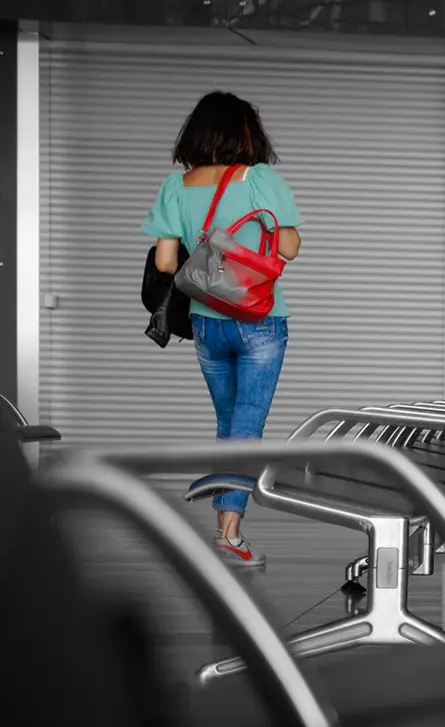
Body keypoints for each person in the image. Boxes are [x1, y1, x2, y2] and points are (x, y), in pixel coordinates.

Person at [142, 91, 302, 567]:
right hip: (259, 320)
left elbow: (166, 262)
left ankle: (225, 524)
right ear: (246, 133)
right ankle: (229, 534)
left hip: (206, 321)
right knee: (246, 428)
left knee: (229, 425)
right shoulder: (260, 178)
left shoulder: (176, 186)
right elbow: (289, 248)